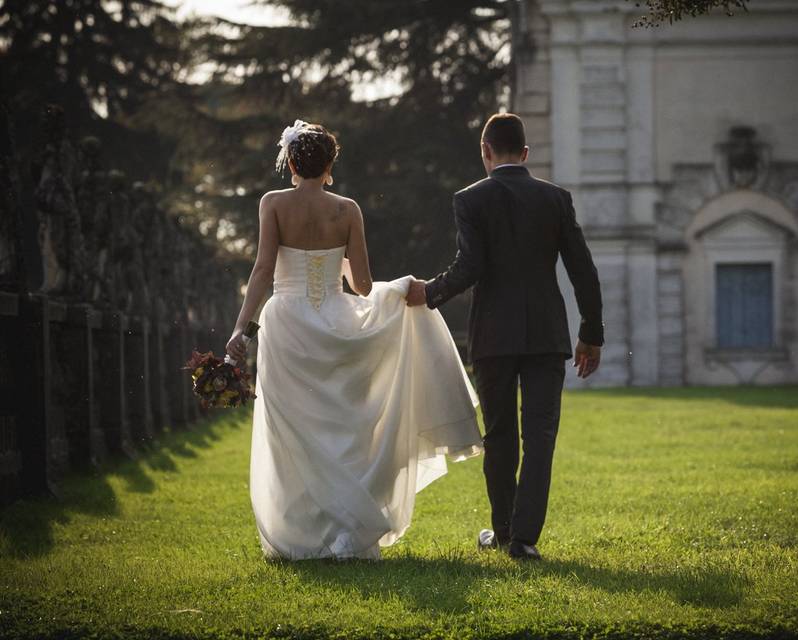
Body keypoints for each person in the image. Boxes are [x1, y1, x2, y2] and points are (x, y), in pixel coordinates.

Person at [226, 119, 483, 561]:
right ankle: (347, 531)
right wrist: (361, 278)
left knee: (292, 432)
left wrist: (240, 330)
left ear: (290, 161)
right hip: (335, 320)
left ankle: (298, 536)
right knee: (342, 428)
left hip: (286, 325)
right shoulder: (347, 210)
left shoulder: (273, 203)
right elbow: (363, 287)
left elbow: (263, 270)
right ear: (330, 165)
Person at [407, 112, 604, 561]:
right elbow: (582, 271)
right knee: (540, 435)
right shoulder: (556, 199)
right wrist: (591, 333)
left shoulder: (470, 200)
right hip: (547, 335)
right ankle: (524, 539)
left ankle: (502, 530)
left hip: (493, 335)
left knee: (500, 436)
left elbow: (470, 267)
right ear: (526, 153)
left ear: (486, 152)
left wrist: (429, 292)